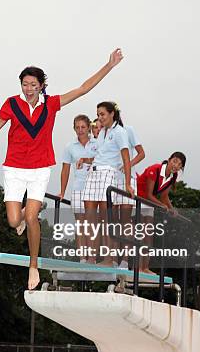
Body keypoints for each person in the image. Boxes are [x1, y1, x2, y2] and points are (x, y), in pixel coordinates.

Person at [0, 49, 124, 289]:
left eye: (33, 84)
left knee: (32, 217)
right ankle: (23, 214)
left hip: (40, 169)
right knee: (14, 221)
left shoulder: (51, 104)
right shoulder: (12, 104)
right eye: (24, 84)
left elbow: (83, 88)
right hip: (14, 168)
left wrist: (109, 66)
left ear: (41, 85)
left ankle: (33, 266)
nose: (28, 88)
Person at [78, 101, 133, 267]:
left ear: (111, 114)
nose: (99, 117)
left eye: (102, 114)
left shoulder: (120, 132)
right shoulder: (102, 132)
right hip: (93, 174)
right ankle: (91, 258)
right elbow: (99, 155)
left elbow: (126, 158)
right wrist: (85, 160)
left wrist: (128, 184)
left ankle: (109, 259)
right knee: (89, 218)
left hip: (109, 174)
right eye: (98, 114)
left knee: (106, 219)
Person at [135, 152, 186, 273]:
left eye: (179, 164)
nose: (176, 165)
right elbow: (148, 193)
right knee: (139, 233)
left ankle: (145, 267)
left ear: (181, 168)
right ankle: (137, 267)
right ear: (169, 160)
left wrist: (172, 208)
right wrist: (163, 206)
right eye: (174, 161)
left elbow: (164, 196)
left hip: (148, 202)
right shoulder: (155, 169)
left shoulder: (173, 176)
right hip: (137, 197)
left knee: (148, 236)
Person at [58, 115, 95, 262]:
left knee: (92, 224)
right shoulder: (70, 146)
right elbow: (65, 169)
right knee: (80, 223)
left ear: (89, 128)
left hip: (94, 188)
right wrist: (62, 191)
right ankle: (82, 258)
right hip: (78, 188)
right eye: (77, 127)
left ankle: (92, 257)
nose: (80, 130)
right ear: (74, 128)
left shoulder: (97, 142)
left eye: (83, 127)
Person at [113, 123, 145, 269]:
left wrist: (128, 165)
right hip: (110, 180)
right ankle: (113, 259)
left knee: (126, 221)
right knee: (113, 220)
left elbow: (141, 153)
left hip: (127, 180)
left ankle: (125, 260)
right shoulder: (104, 133)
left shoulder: (128, 130)